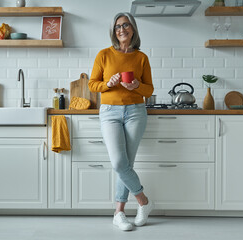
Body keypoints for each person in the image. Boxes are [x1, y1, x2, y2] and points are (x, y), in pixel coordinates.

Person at [88, 12, 154, 231]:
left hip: (136, 111)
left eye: (126, 25)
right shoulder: (104, 55)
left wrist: (137, 86)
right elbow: (92, 85)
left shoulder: (141, 57)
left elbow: (149, 89)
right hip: (109, 112)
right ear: (113, 31)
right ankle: (144, 201)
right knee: (119, 163)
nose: (121, 29)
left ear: (133, 29)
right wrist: (108, 83)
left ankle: (119, 213)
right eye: (117, 26)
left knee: (126, 164)